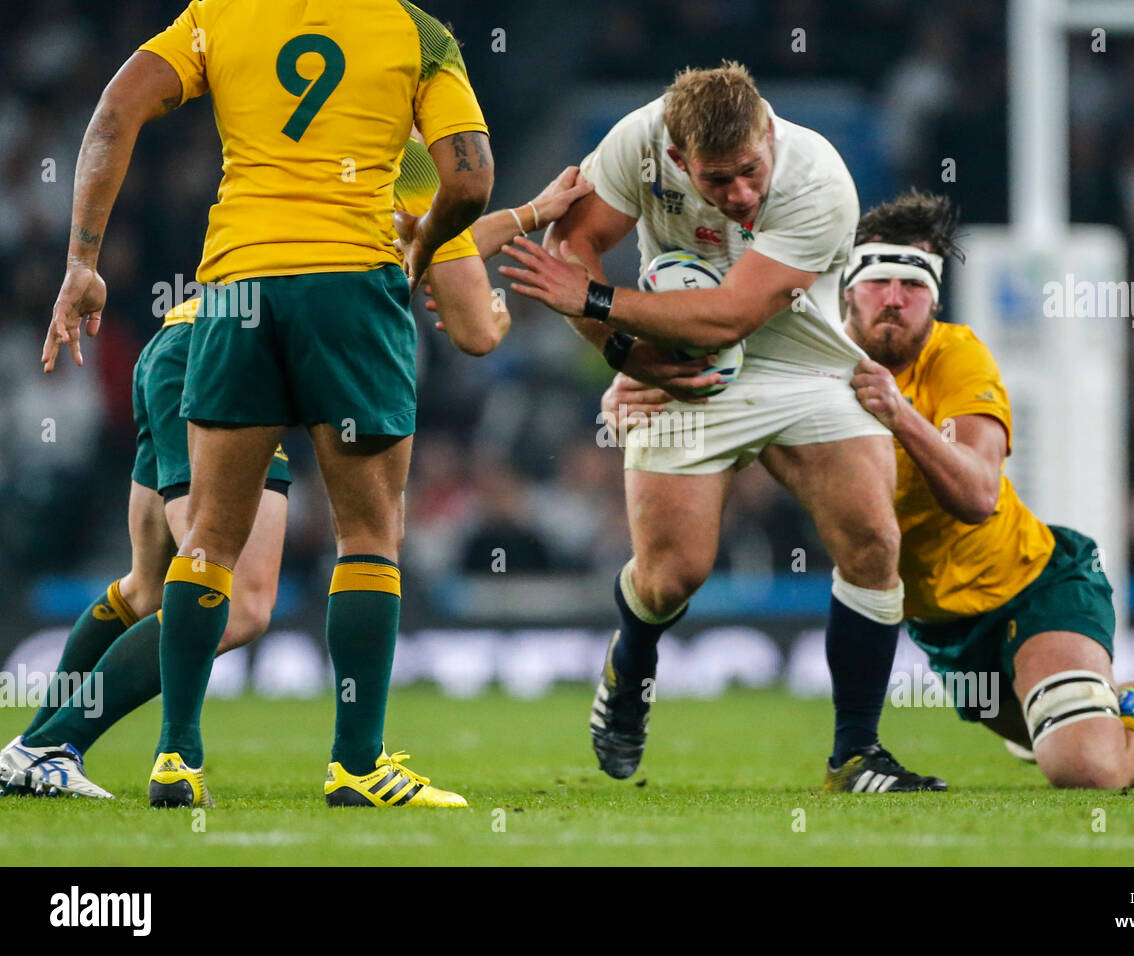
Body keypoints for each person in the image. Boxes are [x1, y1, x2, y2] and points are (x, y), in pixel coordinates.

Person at [603, 189, 1134, 789]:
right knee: (1065, 730)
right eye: (880, 282)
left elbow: (977, 495)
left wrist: (899, 413)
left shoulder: (957, 356)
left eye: (916, 287)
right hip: (945, 632)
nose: (896, 300)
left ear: (935, 298)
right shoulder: (795, 361)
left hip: (1031, 585)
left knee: (1080, 762)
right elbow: (710, 368)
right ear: (848, 289)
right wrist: (634, 380)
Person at [13, 124, 587, 800]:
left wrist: (525, 217)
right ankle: (65, 746)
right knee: (245, 602)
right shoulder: (412, 161)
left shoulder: (328, 145)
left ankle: (33, 749)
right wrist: (493, 311)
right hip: (245, 361)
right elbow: (467, 313)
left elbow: (424, 245)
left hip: (189, 339)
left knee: (147, 587)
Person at [43, 0, 496, 809]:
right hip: (350, 290)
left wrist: (82, 260)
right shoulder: (418, 33)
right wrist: (420, 249)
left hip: (233, 292)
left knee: (210, 541)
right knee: (368, 534)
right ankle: (358, 765)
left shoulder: (218, 12)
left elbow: (117, 108)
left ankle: (177, 758)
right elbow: (470, 177)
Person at [502, 62, 942, 792]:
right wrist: (628, 357)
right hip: (678, 359)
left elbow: (730, 313)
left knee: (873, 540)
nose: (741, 194)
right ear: (676, 159)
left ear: (768, 133)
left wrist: (604, 306)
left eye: (749, 171)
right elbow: (569, 257)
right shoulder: (635, 144)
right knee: (674, 576)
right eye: (718, 180)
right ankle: (632, 660)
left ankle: (856, 755)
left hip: (802, 361)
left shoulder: (819, 180)